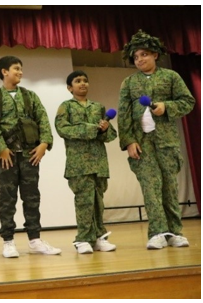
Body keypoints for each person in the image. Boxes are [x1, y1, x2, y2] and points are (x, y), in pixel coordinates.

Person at [117, 30, 195, 249]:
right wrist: (129, 141)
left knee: (169, 187)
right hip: (142, 144)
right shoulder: (129, 83)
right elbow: (123, 115)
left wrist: (166, 107)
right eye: (136, 57)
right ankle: (157, 233)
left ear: (155, 55)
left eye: (144, 54)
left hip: (166, 142)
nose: (140, 60)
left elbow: (187, 102)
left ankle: (175, 232)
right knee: (150, 188)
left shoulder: (171, 77)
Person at [0, 55, 61, 258]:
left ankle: (35, 240)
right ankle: (8, 241)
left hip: (29, 155)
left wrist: (44, 144)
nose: (20, 72)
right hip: (6, 156)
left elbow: (42, 118)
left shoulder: (30, 96)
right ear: (4, 71)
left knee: (32, 197)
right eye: (16, 68)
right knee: (7, 199)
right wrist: (0, 148)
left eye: (21, 69)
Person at [55, 71, 119, 254]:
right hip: (79, 164)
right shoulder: (65, 107)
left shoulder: (98, 107)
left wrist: (105, 129)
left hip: (99, 163)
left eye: (85, 80)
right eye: (77, 81)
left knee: (98, 201)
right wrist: (92, 129)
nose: (82, 84)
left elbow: (111, 135)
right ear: (69, 87)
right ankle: (83, 239)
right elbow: (63, 129)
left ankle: (99, 237)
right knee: (84, 202)